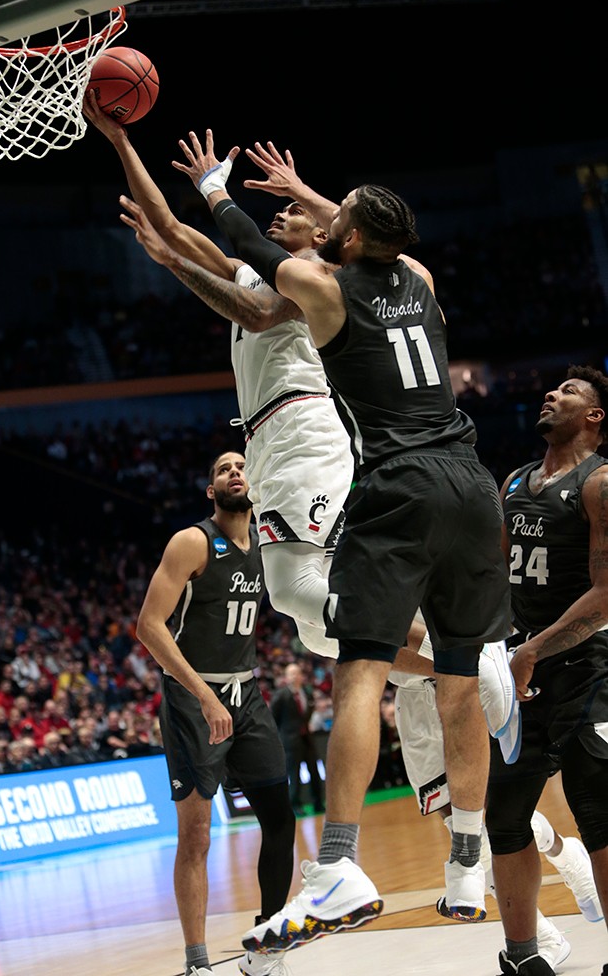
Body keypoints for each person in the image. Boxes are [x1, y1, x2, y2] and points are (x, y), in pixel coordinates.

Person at [136, 131, 514, 957]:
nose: (301, 219)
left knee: (355, 664)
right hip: (467, 473)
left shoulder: (312, 287)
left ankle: (338, 862)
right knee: (422, 668)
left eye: (320, 217)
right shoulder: (415, 277)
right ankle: (463, 863)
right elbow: (363, 234)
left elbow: (236, 252)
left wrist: (213, 189)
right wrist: (308, 191)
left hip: (373, 467)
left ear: (336, 242)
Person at [83, 94, 353, 660]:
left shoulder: (320, 274)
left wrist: (174, 261)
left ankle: (459, 654)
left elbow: (252, 313)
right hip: (266, 438)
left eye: (294, 213)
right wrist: (120, 140)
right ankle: (427, 672)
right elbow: (169, 227)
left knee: (298, 593)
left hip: (304, 427)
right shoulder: (252, 270)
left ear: (322, 234)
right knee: (312, 629)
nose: (280, 213)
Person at [135, 450, 296, 976]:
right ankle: (197, 962)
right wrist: (204, 696)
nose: (234, 472)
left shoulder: (269, 547)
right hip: (192, 699)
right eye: (223, 469)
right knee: (198, 835)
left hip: (247, 696)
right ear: (211, 491)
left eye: (242, 466)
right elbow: (150, 626)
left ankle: (267, 944)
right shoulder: (193, 542)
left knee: (280, 818)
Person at [484, 364, 608, 976]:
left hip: (589, 666)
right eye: (550, 389)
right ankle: (522, 955)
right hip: (520, 668)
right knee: (504, 816)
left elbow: (607, 593)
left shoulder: (601, 482)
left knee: (598, 811)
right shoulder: (513, 482)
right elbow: (502, 576)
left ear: (594, 417)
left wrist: (537, 647)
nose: (549, 395)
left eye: (568, 393)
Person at [389, 623, 601, 970]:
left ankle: (566, 857)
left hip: (472, 682)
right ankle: (545, 934)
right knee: (462, 829)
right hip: (415, 701)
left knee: (499, 816)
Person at [270, 661, 325, 815]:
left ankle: (318, 803)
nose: (295, 676)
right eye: (291, 673)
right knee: (294, 774)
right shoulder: (281, 695)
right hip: (290, 741)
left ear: (301, 676)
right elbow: (274, 718)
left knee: (315, 771)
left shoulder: (307, 692)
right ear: (286, 677)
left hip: (307, 738)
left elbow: (308, 713)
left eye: (297, 673)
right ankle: (295, 805)